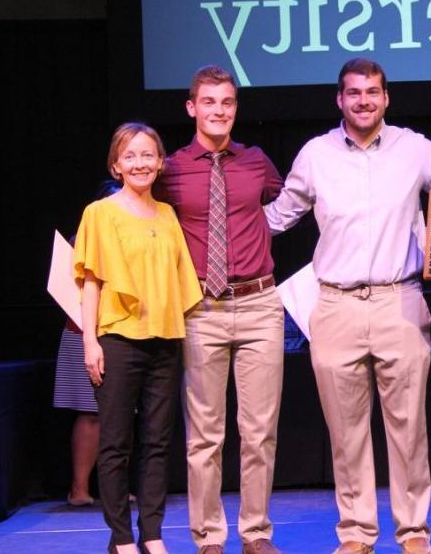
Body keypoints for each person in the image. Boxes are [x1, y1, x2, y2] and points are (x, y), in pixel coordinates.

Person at [265, 58, 431, 554]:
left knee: (409, 430)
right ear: (339, 100)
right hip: (336, 306)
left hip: (399, 301)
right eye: (354, 93)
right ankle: (356, 534)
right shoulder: (315, 154)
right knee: (346, 435)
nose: (363, 100)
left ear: (386, 98)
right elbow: (280, 215)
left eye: (372, 92)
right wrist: (212, 227)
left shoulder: (415, 149)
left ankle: (413, 533)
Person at [154, 65, 285, 554]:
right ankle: (208, 536)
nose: (218, 111)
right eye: (209, 102)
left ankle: (256, 533)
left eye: (227, 103)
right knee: (204, 435)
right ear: (192, 108)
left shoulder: (255, 162)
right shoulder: (171, 169)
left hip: (259, 305)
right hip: (200, 310)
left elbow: (289, 203)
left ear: (235, 108)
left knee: (259, 432)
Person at [75, 122, 202, 554]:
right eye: (130, 156)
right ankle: (122, 538)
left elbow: (182, 283)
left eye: (148, 154)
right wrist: (90, 341)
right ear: (116, 165)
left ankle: (152, 533)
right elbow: (90, 281)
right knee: (116, 442)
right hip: (118, 339)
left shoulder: (167, 215)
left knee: (158, 442)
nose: (140, 163)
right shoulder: (100, 213)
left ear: (161, 162)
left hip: (165, 340)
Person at [54, 180, 121, 507]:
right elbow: (67, 289)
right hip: (84, 334)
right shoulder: (81, 241)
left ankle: (116, 489)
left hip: (122, 334)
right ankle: (79, 488)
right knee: (91, 412)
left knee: (121, 415)